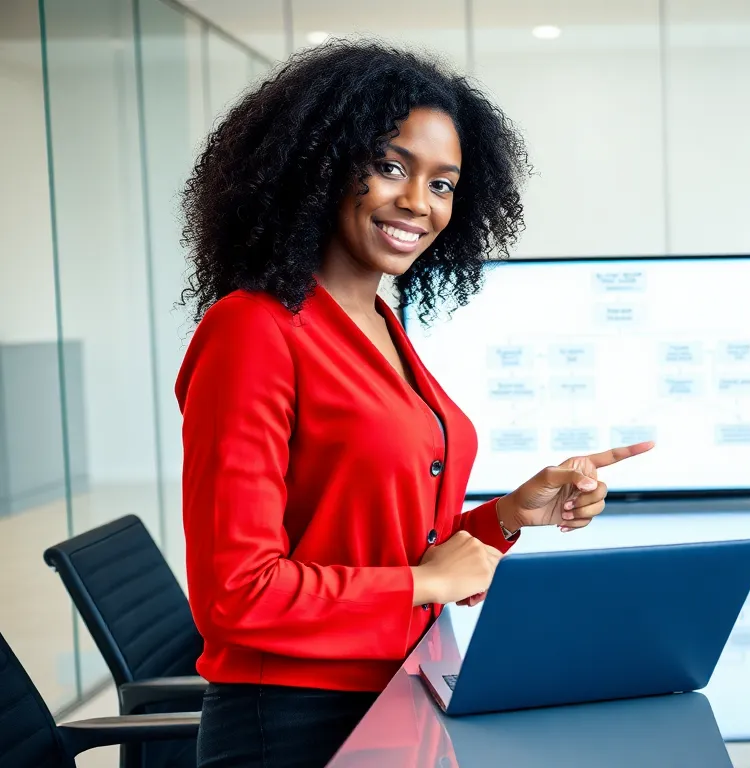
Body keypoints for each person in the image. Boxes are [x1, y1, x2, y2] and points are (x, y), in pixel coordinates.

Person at [176, 41, 653, 768]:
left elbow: (381, 542)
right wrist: (426, 582)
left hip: (399, 690)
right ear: (320, 163)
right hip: (294, 724)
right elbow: (235, 594)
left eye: (443, 184)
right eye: (391, 167)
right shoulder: (253, 329)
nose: (418, 203)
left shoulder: (379, 323)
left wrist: (507, 516)